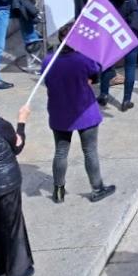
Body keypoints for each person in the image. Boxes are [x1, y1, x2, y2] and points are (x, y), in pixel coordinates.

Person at [43, 28, 116, 204]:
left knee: (60, 152)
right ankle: (97, 189)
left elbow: (47, 82)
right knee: (90, 151)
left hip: (59, 112)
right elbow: (96, 72)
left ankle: (58, 191)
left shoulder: (48, 60)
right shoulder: (83, 59)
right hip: (85, 112)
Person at [0, 103, 32, 276]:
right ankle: (16, 272)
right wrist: (22, 122)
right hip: (6, 183)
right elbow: (17, 146)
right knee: (11, 225)